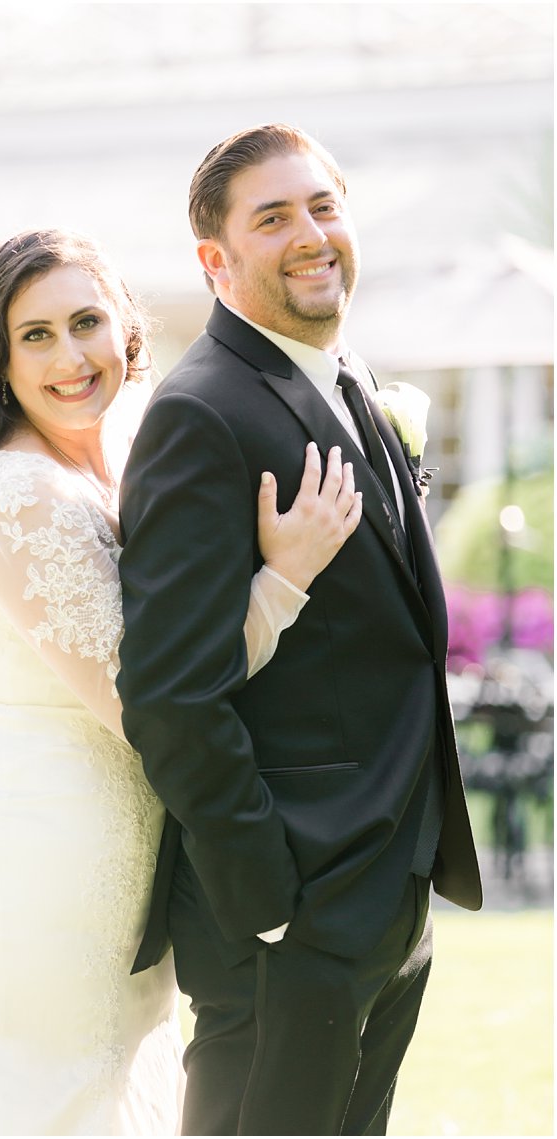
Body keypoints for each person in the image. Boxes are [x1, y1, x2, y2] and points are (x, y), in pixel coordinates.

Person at [0, 228, 361, 1134]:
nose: (71, 357)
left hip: (97, 864)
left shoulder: (98, 470)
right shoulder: (21, 496)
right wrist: (284, 576)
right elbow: (151, 701)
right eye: (37, 335)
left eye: (87, 322)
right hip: (26, 873)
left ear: (125, 332)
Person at [117, 123, 483, 1135]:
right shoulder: (202, 411)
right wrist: (263, 894)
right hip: (289, 910)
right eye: (271, 217)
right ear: (215, 259)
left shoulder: (345, 379)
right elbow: (167, 690)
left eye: (321, 206)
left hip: (384, 880)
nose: (309, 233)